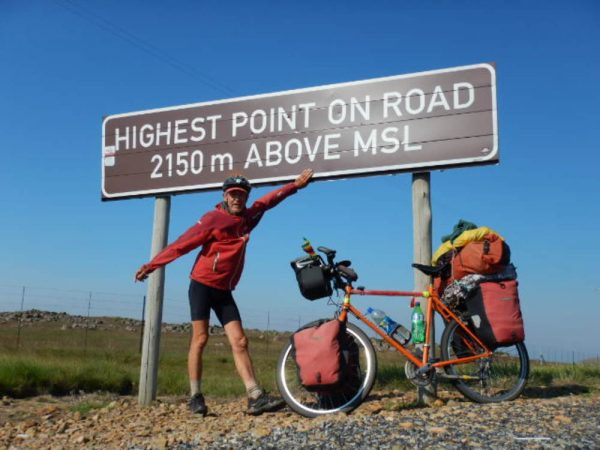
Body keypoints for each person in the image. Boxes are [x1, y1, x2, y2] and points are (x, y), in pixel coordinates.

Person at [134, 168, 314, 416]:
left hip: (224, 290)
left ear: (246, 197)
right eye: (232, 194)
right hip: (202, 285)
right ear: (225, 196)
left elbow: (268, 201)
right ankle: (195, 397)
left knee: (240, 341)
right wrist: (151, 266)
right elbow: (181, 245)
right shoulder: (212, 219)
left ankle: (254, 396)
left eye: (241, 194)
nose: (237, 198)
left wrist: (295, 186)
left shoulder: (248, 217)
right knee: (200, 339)